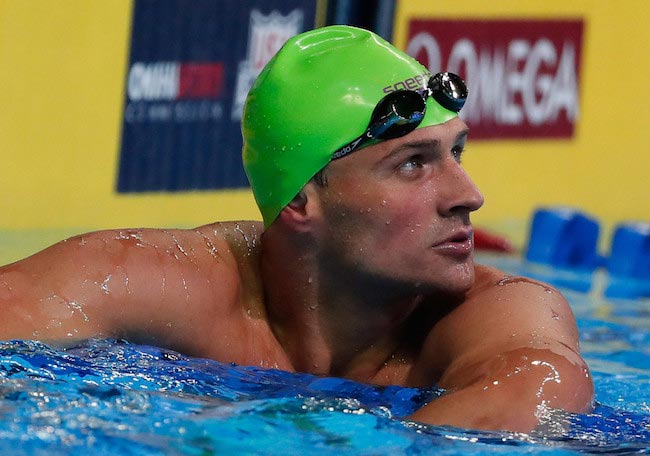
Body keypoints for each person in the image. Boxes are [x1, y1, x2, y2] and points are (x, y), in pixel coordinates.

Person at [0, 25, 593, 432]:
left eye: (455, 152)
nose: (469, 195)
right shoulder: (176, 283)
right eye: (413, 164)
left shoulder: (498, 312)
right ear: (301, 201)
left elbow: (541, 389)